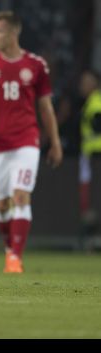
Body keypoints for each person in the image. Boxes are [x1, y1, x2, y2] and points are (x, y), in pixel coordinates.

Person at [0, 10, 62, 273]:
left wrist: (55, 142)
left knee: (21, 195)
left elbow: (46, 108)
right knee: (1, 204)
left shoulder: (36, 65)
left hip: (26, 140)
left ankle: (15, 258)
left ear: (13, 32)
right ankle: (10, 248)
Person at [79, 70, 101, 247]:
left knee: (94, 196)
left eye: (87, 82)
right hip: (91, 154)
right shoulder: (90, 102)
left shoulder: (96, 102)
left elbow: (97, 126)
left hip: (96, 154)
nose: (83, 86)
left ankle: (95, 236)